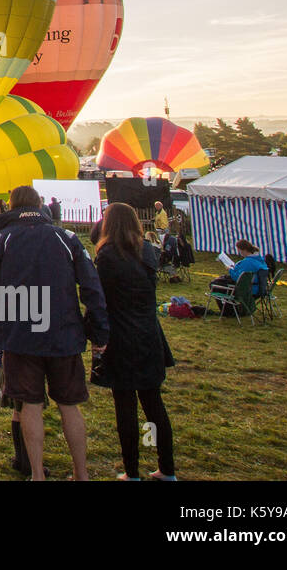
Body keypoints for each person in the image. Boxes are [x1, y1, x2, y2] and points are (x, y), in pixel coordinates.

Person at [0, 185, 109, 481]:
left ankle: (36, 474)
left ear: (11, 206)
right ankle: (81, 474)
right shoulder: (67, 238)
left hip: (20, 337)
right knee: (69, 406)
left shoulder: (1, 239)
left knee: (30, 405)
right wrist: (98, 333)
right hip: (64, 334)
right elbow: (92, 288)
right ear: (41, 205)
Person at [92, 203, 176, 480]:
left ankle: (132, 472)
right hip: (149, 332)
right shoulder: (148, 251)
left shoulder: (107, 255)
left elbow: (100, 299)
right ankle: (167, 469)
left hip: (121, 335)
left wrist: (94, 334)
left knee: (125, 405)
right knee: (154, 403)